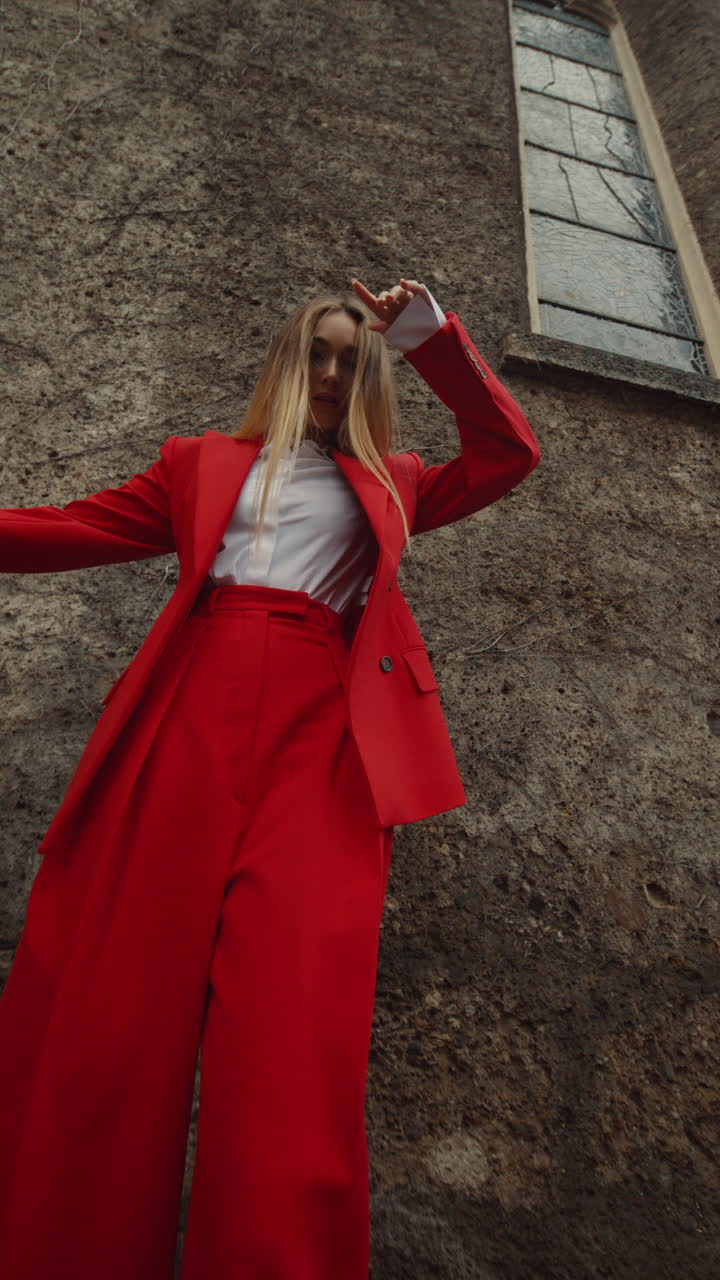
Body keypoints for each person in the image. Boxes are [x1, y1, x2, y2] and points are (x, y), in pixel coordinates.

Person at [0, 276, 540, 1280]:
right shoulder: (200, 463)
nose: (333, 372)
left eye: (352, 357)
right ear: (288, 364)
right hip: (185, 725)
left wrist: (425, 335)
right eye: (318, 353)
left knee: (291, 1037)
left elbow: (511, 452)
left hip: (321, 749)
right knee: (117, 1016)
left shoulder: (396, 482)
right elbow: (72, 527)